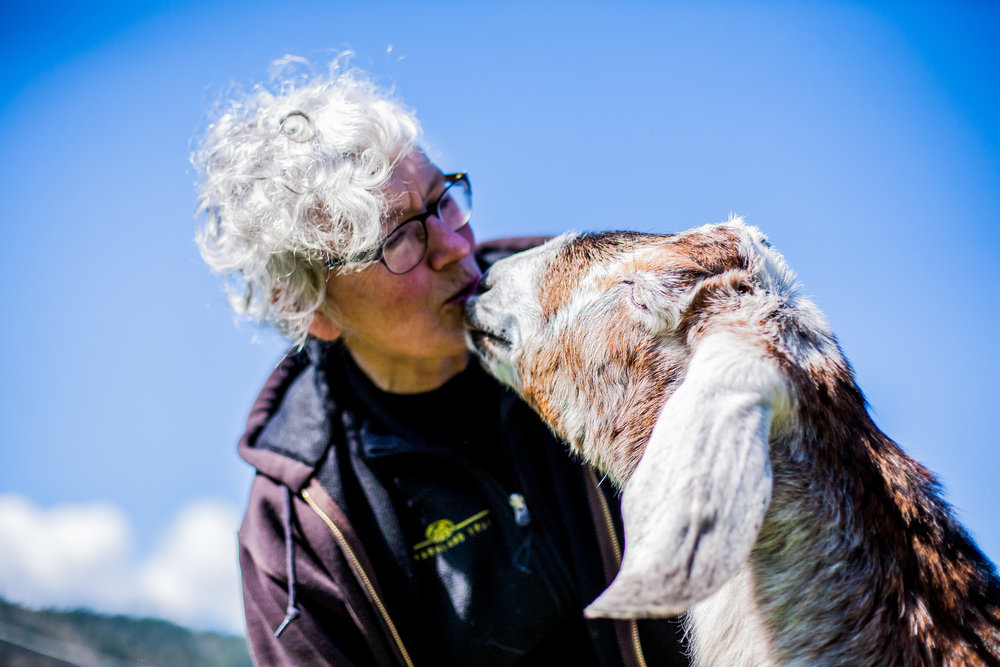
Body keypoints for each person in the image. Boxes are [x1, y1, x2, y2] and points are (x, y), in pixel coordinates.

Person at [194, 57, 688, 666]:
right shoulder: (297, 531)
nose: (456, 246)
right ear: (310, 309)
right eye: (399, 237)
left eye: (442, 201)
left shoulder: (603, 318)